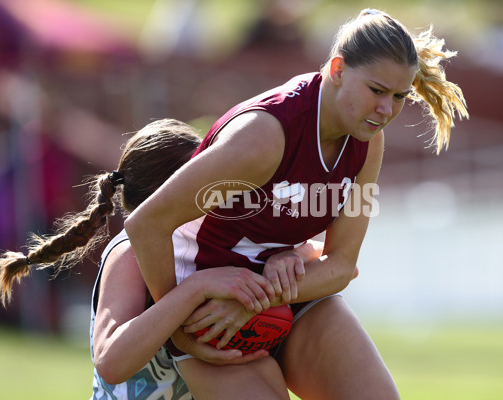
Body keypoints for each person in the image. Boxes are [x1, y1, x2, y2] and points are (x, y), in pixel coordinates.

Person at [125, 8, 468, 400]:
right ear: (337, 69)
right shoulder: (265, 137)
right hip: (210, 312)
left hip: (282, 296)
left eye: (399, 97)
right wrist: (179, 330)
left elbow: (341, 266)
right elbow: (145, 224)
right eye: (376, 91)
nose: (387, 110)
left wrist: (261, 296)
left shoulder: (368, 141)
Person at [0, 118, 316, 399]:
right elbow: (110, 361)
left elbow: (319, 253)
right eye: (205, 177)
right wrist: (195, 289)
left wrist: (289, 255)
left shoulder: (212, 240)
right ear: (170, 192)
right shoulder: (129, 254)